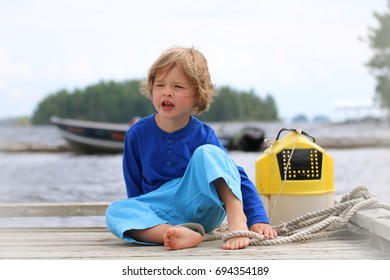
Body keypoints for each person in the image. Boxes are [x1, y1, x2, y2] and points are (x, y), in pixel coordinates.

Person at [106, 46, 277, 251]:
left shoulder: (204, 135)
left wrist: (258, 218)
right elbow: (135, 192)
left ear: (197, 94)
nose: (167, 92)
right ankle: (174, 234)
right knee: (115, 212)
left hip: (202, 209)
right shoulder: (137, 134)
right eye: (160, 85)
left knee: (208, 153)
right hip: (160, 211)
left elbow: (235, 176)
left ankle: (236, 216)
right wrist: (140, 214)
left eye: (178, 87)